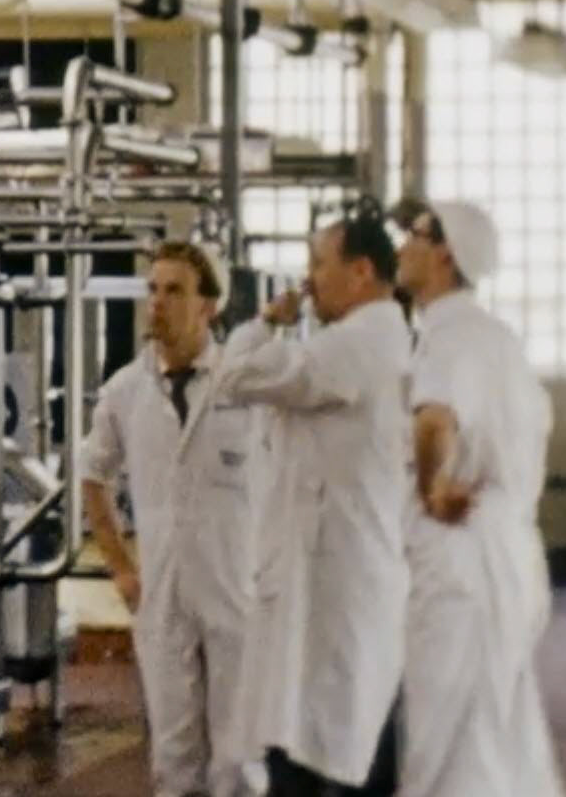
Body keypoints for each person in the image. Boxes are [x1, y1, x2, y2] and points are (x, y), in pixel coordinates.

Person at [214, 211, 413, 796]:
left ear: (360, 271)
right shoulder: (362, 340)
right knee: (315, 734)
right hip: (327, 574)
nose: (306, 283)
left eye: (317, 266)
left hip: (338, 580)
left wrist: (262, 325)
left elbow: (236, 378)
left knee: (333, 745)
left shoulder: (356, 345)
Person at [394, 200, 563, 797]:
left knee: (446, 746)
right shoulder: (494, 336)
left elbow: (434, 421)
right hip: (507, 552)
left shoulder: (453, 332)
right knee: (498, 733)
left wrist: (430, 489)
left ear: (446, 253)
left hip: (462, 553)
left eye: (412, 235)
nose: (401, 245)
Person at [83, 242, 263, 796]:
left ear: (208, 306)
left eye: (174, 291)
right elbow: (93, 476)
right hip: (162, 594)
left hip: (238, 587)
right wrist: (121, 567)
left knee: (240, 760)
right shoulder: (125, 391)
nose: (156, 303)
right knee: (174, 759)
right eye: (152, 290)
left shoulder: (248, 383)